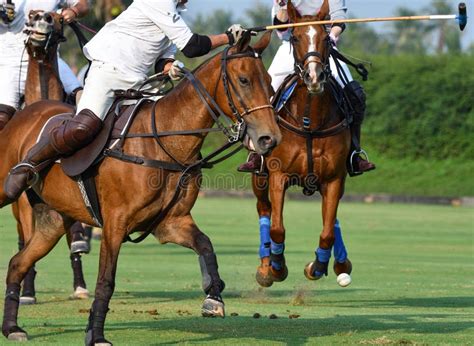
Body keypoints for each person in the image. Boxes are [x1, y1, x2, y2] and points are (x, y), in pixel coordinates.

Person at [4, 0, 247, 200]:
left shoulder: (175, 13)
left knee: (166, 125)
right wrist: (228, 37)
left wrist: (169, 67)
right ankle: (28, 164)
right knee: (84, 126)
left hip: (137, 80)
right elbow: (193, 46)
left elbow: (164, 58)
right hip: (107, 71)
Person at [238, 0, 376, 175]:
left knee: (355, 94)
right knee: (262, 95)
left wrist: (331, 36)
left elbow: (338, 18)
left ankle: (354, 153)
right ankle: (257, 154)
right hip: (292, 47)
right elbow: (281, 30)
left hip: (322, 47)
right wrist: (281, 6)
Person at [0, 0, 88, 131]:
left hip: (51, 60)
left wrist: (73, 11)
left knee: (82, 99)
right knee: (2, 118)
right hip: (10, 63)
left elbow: (83, 5)